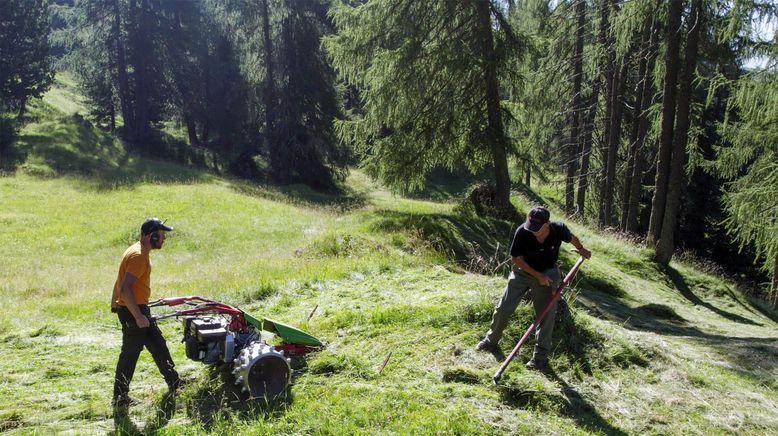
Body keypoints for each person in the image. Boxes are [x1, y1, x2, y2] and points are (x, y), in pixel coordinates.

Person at [475, 206, 591, 370]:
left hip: (548, 272)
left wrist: (581, 249)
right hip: (523, 272)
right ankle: (490, 341)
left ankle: (539, 358)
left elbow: (571, 238)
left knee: (546, 315)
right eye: (531, 226)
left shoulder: (558, 229)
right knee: (504, 308)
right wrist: (538, 276)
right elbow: (516, 258)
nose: (533, 231)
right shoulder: (522, 232)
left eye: (537, 228)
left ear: (547, 224)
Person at [111, 217, 182, 407]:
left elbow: (120, 280)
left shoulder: (135, 250)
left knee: (158, 344)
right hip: (133, 311)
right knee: (130, 354)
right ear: (151, 236)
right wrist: (138, 316)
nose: (164, 239)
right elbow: (125, 288)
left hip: (135, 307)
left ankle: (175, 382)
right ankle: (119, 398)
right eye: (161, 235)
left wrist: (114, 302)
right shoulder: (138, 256)